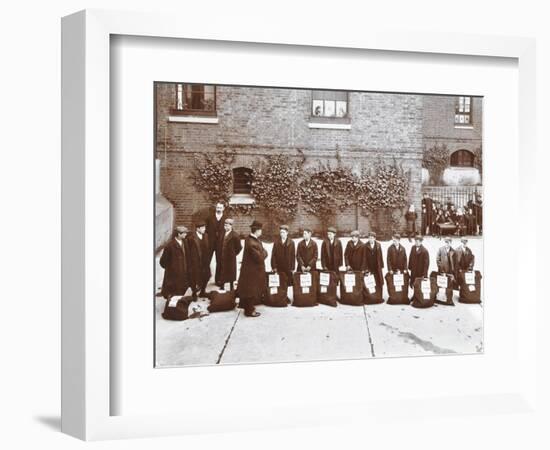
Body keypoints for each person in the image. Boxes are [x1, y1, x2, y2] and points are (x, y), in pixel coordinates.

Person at [237, 220, 268, 317]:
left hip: (251, 270)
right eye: (260, 230)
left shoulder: (251, 239)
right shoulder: (252, 242)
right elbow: (260, 257)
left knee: (250, 290)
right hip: (252, 271)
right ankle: (249, 311)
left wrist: (262, 252)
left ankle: (248, 308)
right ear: (257, 230)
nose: (261, 232)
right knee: (251, 291)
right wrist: (265, 252)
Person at [159, 226, 190, 298]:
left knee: (181, 293)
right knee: (173, 295)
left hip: (183, 273)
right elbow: (163, 262)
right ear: (179, 234)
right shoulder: (170, 246)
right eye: (184, 233)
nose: (186, 234)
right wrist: (171, 268)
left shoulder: (185, 242)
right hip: (174, 276)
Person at [205, 201, 229, 286]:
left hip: (220, 243)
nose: (218, 209)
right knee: (206, 260)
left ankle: (218, 280)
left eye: (220, 208)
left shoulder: (226, 219)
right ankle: (204, 278)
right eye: (217, 207)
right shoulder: (209, 218)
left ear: (223, 209)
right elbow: (206, 231)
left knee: (220, 261)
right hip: (210, 243)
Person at [186, 221, 211, 298]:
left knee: (207, 275)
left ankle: (203, 291)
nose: (204, 229)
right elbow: (188, 250)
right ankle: (194, 293)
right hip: (195, 261)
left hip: (205, 260)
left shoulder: (206, 236)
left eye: (205, 227)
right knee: (195, 277)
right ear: (198, 229)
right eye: (203, 228)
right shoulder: (191, 238)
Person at [217, 218, 242, 289]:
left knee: (231, 273)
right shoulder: (222, 234)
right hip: (222, 257)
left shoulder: (235, 235)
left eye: (227, 225)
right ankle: (222, 287)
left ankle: (231, 288)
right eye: (225, 225)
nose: (226, 227)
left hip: (230, 258)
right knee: (222, 272)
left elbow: (239, 247)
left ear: (231, 226)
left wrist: (233, 254)